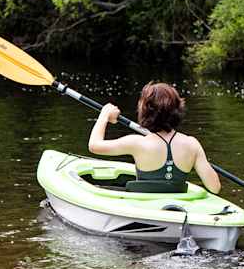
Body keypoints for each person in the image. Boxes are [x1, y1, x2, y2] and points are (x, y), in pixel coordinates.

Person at [88, 82, 221, 194]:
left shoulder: (137, 143)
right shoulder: (192, 144)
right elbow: (215, 188)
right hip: (178, 210)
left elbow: (94, 146)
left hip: (144, 208)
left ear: (146, 111)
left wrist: (104, 115)